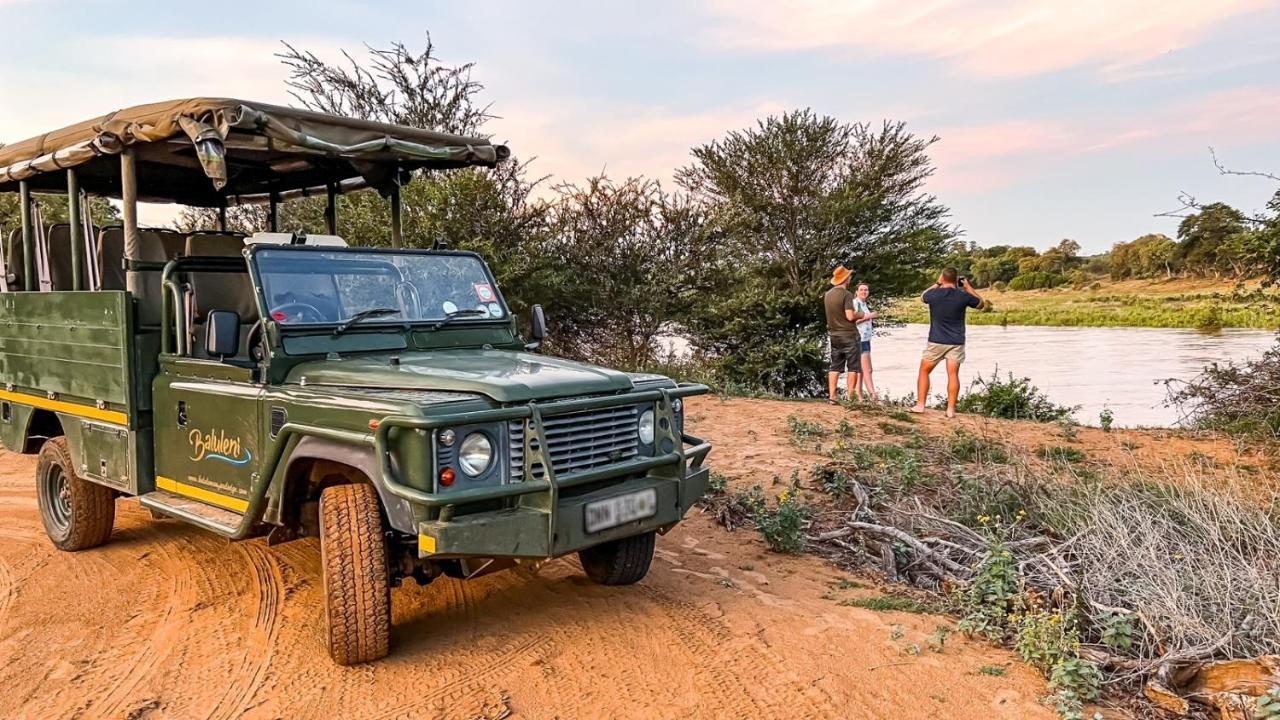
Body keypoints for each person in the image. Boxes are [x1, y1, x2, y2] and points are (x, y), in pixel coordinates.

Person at [912, 267, 985, 418]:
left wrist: (937, 284)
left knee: (924, 371)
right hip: (956, 341)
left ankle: (920, 405)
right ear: (956, 279)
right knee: (953, 375)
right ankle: (950, 410)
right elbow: (981, 304)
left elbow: (922, 296)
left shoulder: (934, 294)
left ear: (943, 278)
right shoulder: (963, 296)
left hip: (936, 340)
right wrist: (968, 287)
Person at [823, 265, 866, 404]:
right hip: (849, 334)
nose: (850, 278)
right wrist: (861, 314)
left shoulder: (828, 294)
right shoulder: (846, 294)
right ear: (846, 279)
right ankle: (850, 397)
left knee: (835, 366)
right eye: (849, 276)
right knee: (853, 367)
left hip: (834, 334)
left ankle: (832, 397)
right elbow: (849, 316)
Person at [852, 283, 879, 401]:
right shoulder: (855, 303)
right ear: (856, 292)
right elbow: (853, 321)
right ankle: (873, 396)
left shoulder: (863, 304)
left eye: (866, 290)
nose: (864, 292)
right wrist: (870, 316)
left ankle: (859, 394)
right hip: (860, 339)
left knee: (861, 369)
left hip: (866, 339)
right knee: (868, 369)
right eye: (862, 290)